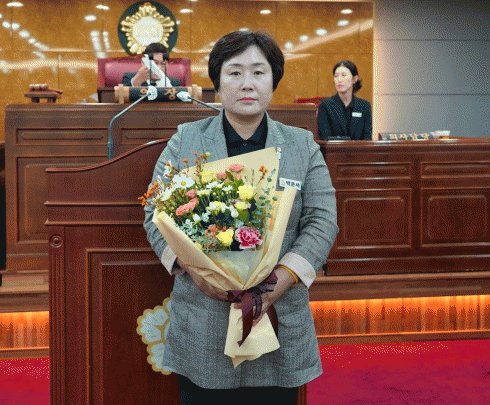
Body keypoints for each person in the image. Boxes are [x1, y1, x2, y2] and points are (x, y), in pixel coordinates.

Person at [143, 30, 338, 404]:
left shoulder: (301, 145)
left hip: (278, 317)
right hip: (204, 320)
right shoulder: (186, 141)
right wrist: (198, 272)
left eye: (258, 72)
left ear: (273, 81)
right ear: (217, 83)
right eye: (234, 72)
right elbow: (155, 212)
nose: (247, 83)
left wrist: (276, 284)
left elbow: (322, 220)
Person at [317, 60, 372, 140]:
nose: (339, 80)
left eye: (343, 75)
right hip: (333, 148)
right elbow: (325, 138)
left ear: (355, 79)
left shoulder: (364, 106)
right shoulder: (325, 105)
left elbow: (367, 138)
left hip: (359, 148)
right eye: (336, 76)